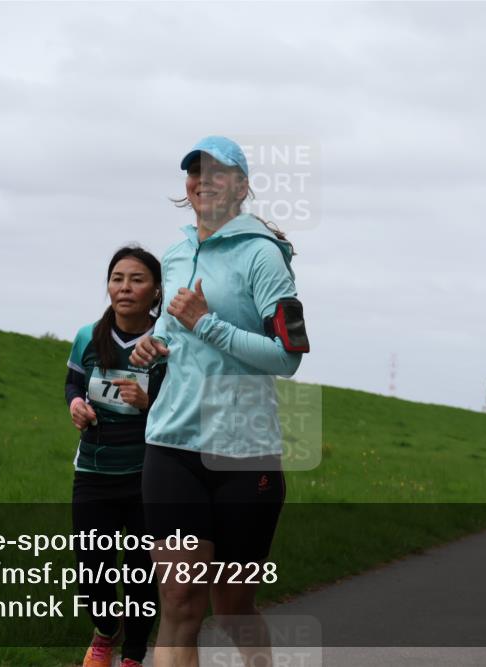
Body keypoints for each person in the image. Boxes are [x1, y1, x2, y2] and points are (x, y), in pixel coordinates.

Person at [130, 136, 309, 667]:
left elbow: (289, 355)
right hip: (172, 446)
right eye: (194, 172)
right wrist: (152, 347)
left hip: (243, 454)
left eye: (218, 172)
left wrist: (204, 323)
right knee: (180, 602)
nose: (203, 180)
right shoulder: (177, 252)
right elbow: (173, 331)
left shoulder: (264, 256)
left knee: (232, 608)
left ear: (242, 186)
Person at [65, 246, 166, 667]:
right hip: (93, 472)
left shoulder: (165, 343)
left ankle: (133, 655)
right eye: (117, 278)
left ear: (156, 290)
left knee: (141, 575)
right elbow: (73, 384)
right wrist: (75, 405)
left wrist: (149, 402)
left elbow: (180, 405)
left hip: (149, 474)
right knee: (92, 575)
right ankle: (107, 630)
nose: (125, 288)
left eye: (137, 279)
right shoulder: (88, 336)